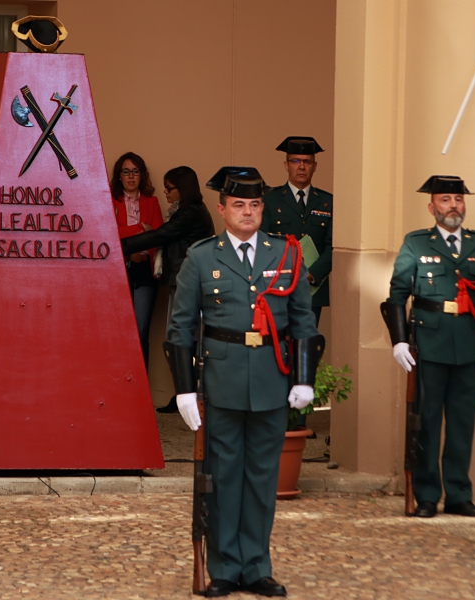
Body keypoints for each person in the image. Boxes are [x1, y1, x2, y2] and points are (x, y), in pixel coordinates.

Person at [168, 167, 322, 597]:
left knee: (260, 479)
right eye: (239, 205)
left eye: (255, 205)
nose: (248, 212)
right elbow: (180, 327)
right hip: (222, 381)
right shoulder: (202, 256)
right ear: (222, 210)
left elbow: (304, 322)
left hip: (272, 381)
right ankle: (223, 569)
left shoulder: (286, 254)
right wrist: (184, 388)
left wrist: (304, 378)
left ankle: (257, 567)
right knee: (223, 478)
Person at [381, 175, 475, 519]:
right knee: (428, 422)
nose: (454, 206)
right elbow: (398, 294)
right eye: (446, 200)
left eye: (459, 200)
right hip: (429, 343)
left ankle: (459, 495)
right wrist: (399, 339)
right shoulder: (417, 243)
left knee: (462, 424)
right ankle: (426, 495)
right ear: (432, 207)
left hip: (469, 342)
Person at [121, 166, 215, 413]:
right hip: (183, 282)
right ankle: (187, 395)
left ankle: (193, 396)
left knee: (185, 339)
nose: (165, 192)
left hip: (188, 285)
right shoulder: (187, 211)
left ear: (183, 189)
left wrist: (120, 244)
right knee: (183, 339)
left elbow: (160, 236)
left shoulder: (189, 213)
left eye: (170, 187)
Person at [259, 136, 333, 325]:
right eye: (296, 161)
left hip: (312, 288)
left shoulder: (328, 202)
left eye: (307, 162)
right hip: (278, 286)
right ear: (286, 165)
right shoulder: (270, 200)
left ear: (314, 166)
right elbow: (263, 242)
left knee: (307, 345)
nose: (301, 167)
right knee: (279, 344)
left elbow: (332, 245)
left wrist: (311, 273)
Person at [112, 152, 164, 366]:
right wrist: (140, 228)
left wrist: (127, 232)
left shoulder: (152, 202)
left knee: (141, 332)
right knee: (119, 332)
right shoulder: (109, 200)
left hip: (145, 271)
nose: (131, 176)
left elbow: (159, 235)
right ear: (119, 176)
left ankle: (142, 394)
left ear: (142, 175)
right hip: (118, 272)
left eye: (135, 171)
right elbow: (107, 233)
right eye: (126, 171)